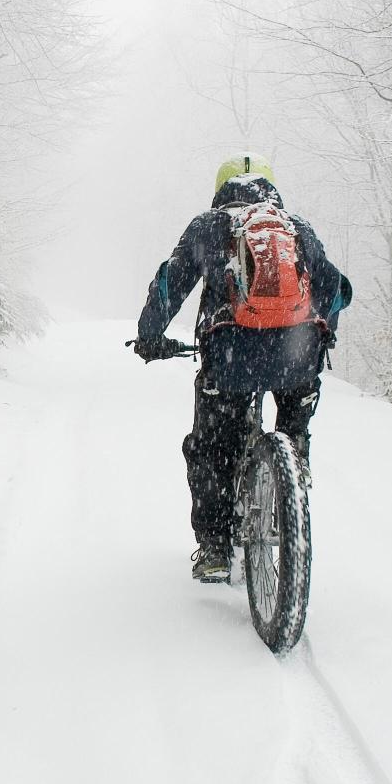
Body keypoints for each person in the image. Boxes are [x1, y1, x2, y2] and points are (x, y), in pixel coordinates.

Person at [131, 153, 351, 582]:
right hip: (296, 355)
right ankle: (292, 470)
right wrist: (325, 333)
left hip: (231, 354)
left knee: (211, 446)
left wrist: (150, 335)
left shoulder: (209, 226)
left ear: (221, 189)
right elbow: (334, 288)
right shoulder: (296, 228)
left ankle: (215, 547)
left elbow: (170, 283)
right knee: (295, 412)